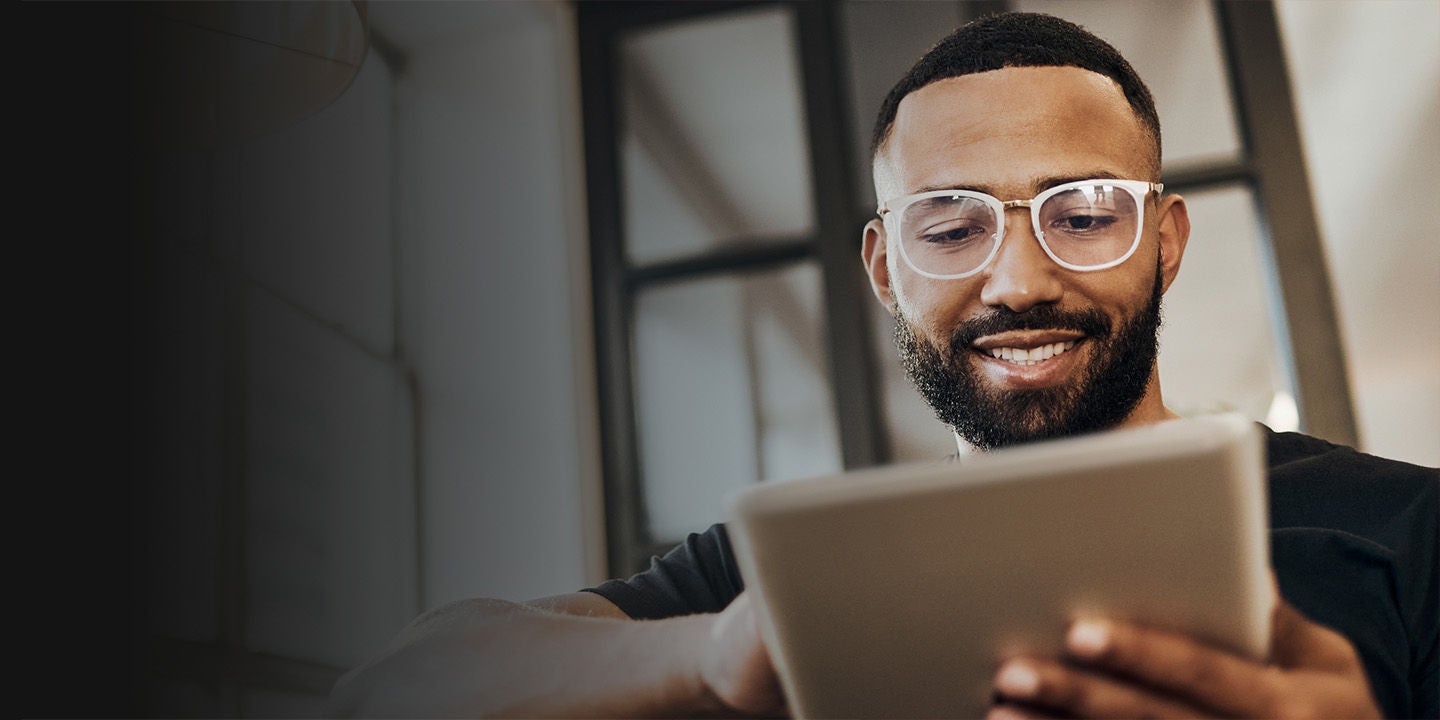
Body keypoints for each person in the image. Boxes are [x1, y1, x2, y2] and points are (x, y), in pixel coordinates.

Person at [329, 12, 1437, 719]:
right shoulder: (778, 584)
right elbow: (395, 691)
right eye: (950, 229)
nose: (1015, 283)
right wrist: (720, 654)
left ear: (1167, 240)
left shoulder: (1409, 531)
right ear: (882, 266)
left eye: (1083, 215)